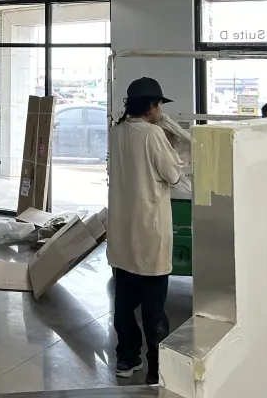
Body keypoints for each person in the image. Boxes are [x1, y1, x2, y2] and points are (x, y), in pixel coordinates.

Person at [107, 77, 184, 386]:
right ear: (152, 107)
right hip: (150, 233)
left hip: (122, 237)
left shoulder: (116, 132)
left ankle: (127, 359)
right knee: (154, 310)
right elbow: (173, 175)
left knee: (124, 306)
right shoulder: (152, 135)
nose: (161, 111)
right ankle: (156, 370)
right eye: (160, 106)